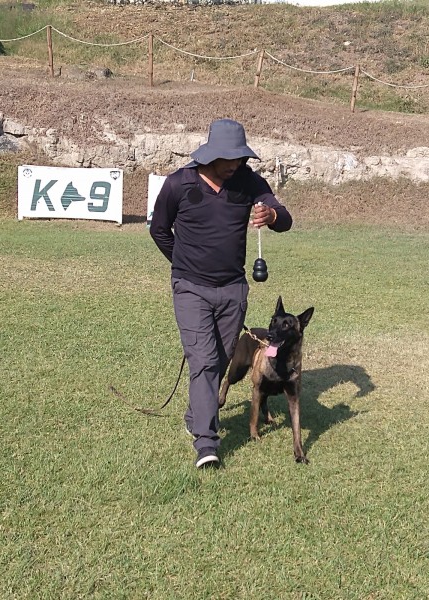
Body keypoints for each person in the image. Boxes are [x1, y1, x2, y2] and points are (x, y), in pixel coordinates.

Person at [149, 118, 293, 468]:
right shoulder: (178, 184)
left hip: (233, 291)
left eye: (240, 158)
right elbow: (159, 229)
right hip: (190, 288)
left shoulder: (248, 181)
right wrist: (184, 264)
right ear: (211, 154)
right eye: (228, 158)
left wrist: (271, 215)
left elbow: (285, 218)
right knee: (203, 360)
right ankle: (207, 444)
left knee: (219, 359)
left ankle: (195, 413)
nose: (234, 164)